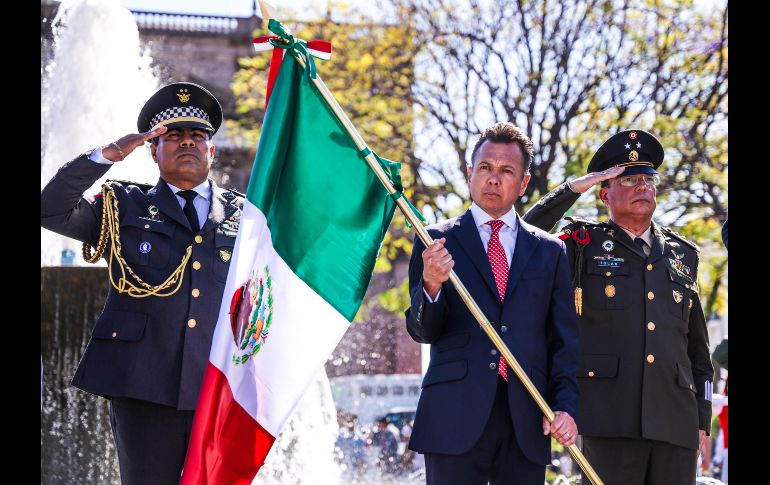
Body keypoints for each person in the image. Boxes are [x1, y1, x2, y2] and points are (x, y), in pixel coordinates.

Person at [40, 82, 244, 484]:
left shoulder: (248, 215)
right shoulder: (124, 206)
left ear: (212, 150)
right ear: (154, 150)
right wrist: (109, 154)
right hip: (143, 385)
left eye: (198, 136)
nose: (188, 142)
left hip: (219, 385)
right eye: (173, 136)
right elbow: (50, 209)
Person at [523, 129, 713, 485]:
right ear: (604, 192)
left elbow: (697, 350)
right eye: (628, 180)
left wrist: (702, 420)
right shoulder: (580, 245)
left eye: (647, 179)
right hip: (608, 421)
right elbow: (523, 234)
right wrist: (572, 188)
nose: (642, 186)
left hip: (676, 422)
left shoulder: (681, 255)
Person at [405, 122, 579, 485]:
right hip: (453, 416)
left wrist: (565, 406)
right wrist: (431, 284)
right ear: (470, 174)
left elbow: (565, 340)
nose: (493, 179)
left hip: (527, 417)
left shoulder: (550, 250)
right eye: (485, 168)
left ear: (524, 183)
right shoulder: (434, 240)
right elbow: (421, 330)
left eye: (506, 171)